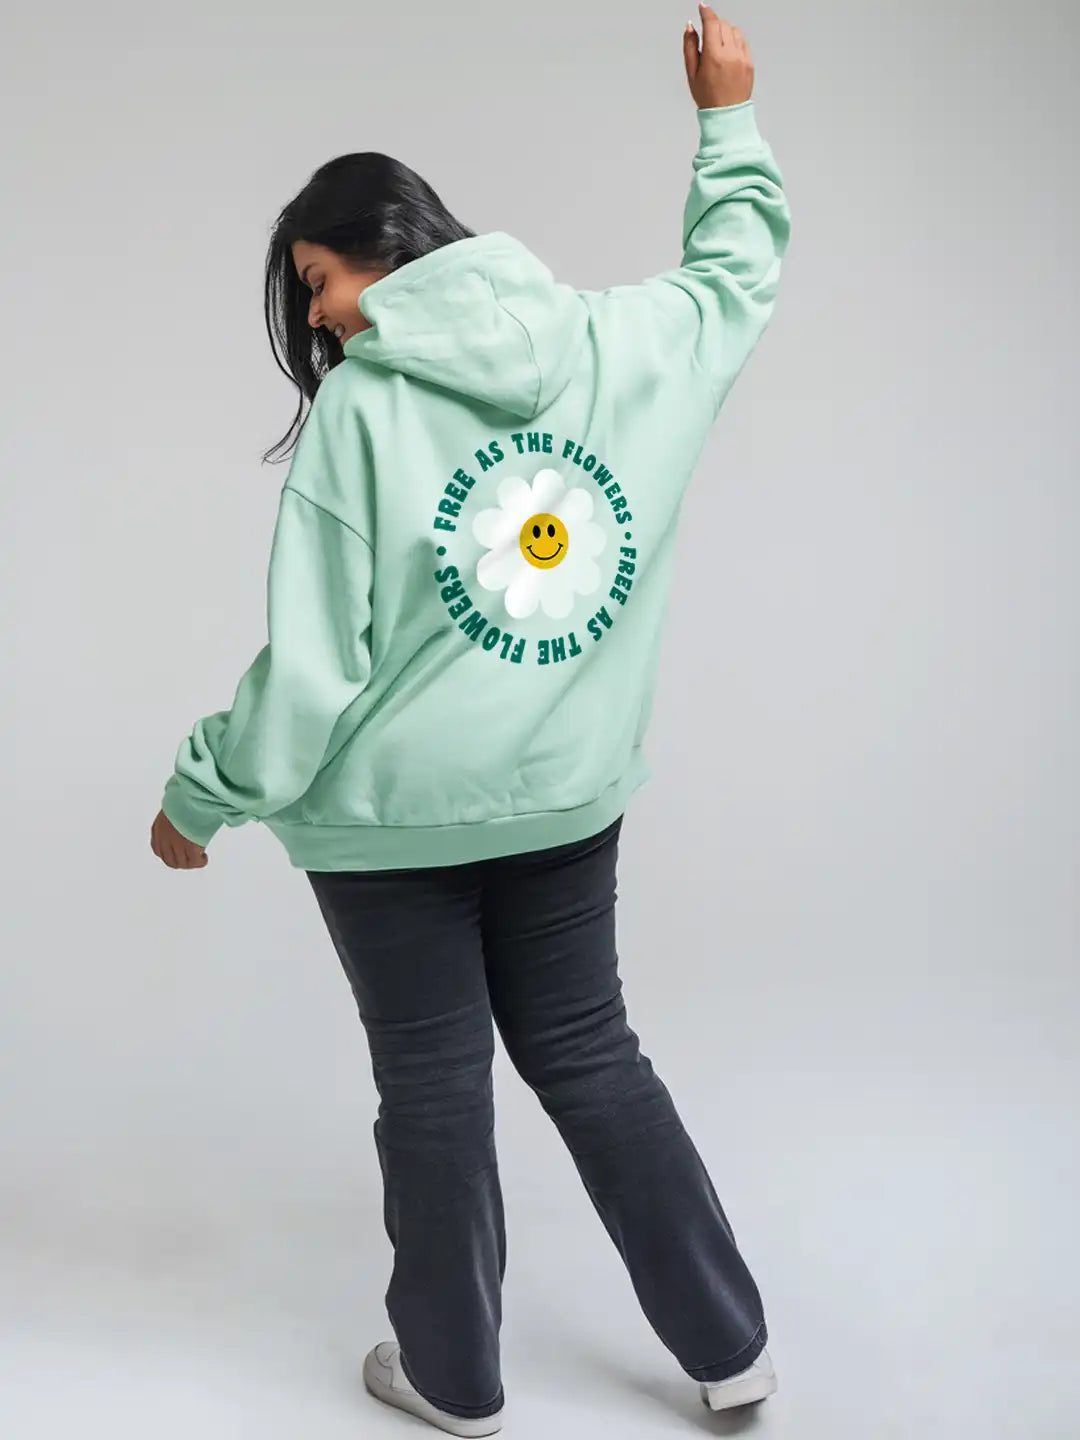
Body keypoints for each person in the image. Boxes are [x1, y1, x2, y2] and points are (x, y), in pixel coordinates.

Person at [150, 6, 791, 1435]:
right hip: (564, 794)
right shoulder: (622, 345)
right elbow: (737, 275)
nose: (318, 317)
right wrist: (728, 117)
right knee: (591, 1055)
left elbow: (313, 674)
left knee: (433, 1088)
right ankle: (731, 1348)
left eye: (316, 282)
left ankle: (454, 1378)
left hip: (388, 828)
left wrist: (200, 794)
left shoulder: (359, 417)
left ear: (378, 250)